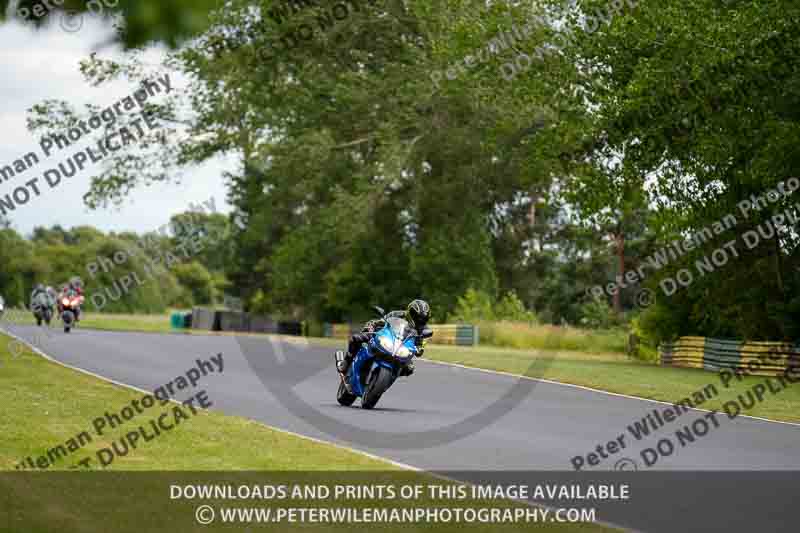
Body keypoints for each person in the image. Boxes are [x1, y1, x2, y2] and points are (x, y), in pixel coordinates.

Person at [337, 299, 431, 380]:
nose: (420, 320)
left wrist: (420, 348)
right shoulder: (397, 314)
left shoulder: (424, 329)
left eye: (423, 318)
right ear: (410, 311)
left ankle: (390, 376)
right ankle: (346, 363)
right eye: (416, 316)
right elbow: (382, 321)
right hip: (386, 338)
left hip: (403, 349)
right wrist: (372, 326)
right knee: (356, 338)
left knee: (410, 369)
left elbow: (421, 346)